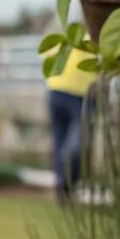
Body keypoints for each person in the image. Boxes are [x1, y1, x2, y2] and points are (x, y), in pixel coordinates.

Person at [45, 45, 92, 202]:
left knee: (76, 146)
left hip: (83, 96)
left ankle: (68, 184)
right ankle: (62, 185)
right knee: (62, 144)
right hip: (57, 91)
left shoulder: (92, 38)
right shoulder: (70, 38)